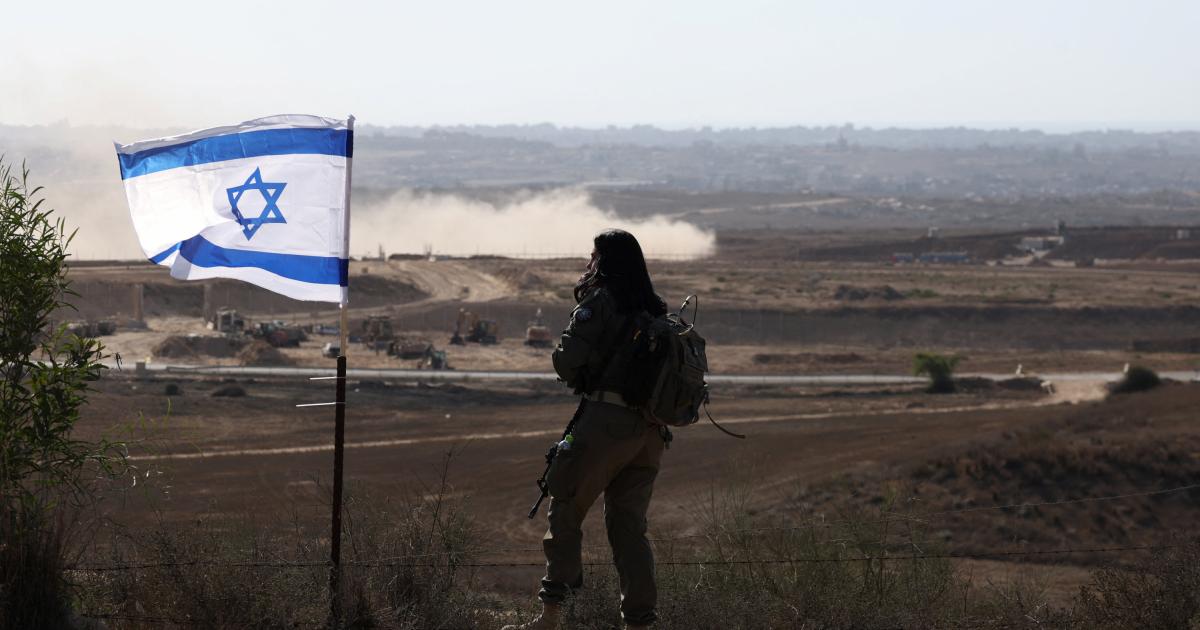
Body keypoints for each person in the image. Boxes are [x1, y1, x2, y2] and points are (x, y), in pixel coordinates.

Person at [504, 229, 669, 630]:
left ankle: (553, 617)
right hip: (649, 434)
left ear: (604, 260)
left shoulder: (600, 302)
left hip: (605, 424)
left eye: (593, 255)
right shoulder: (655, 309)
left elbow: (565, 362)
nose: (588, 261)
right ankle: (640, 623)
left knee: (564, 511)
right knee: (629, 529)